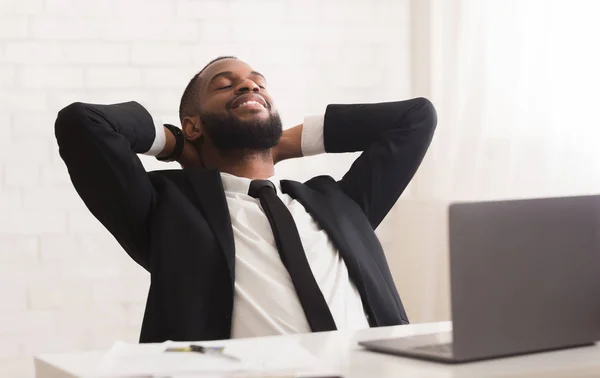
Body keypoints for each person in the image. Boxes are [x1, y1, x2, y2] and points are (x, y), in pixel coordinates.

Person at [55, 56, 437, 343]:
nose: (249, 87)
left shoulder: (340, 203)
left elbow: (415, 118)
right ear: (193, 124)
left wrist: (285, 143)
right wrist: (178, 145)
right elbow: (83, 123)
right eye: (225, 85)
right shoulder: (166, 211)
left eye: (259, 84)